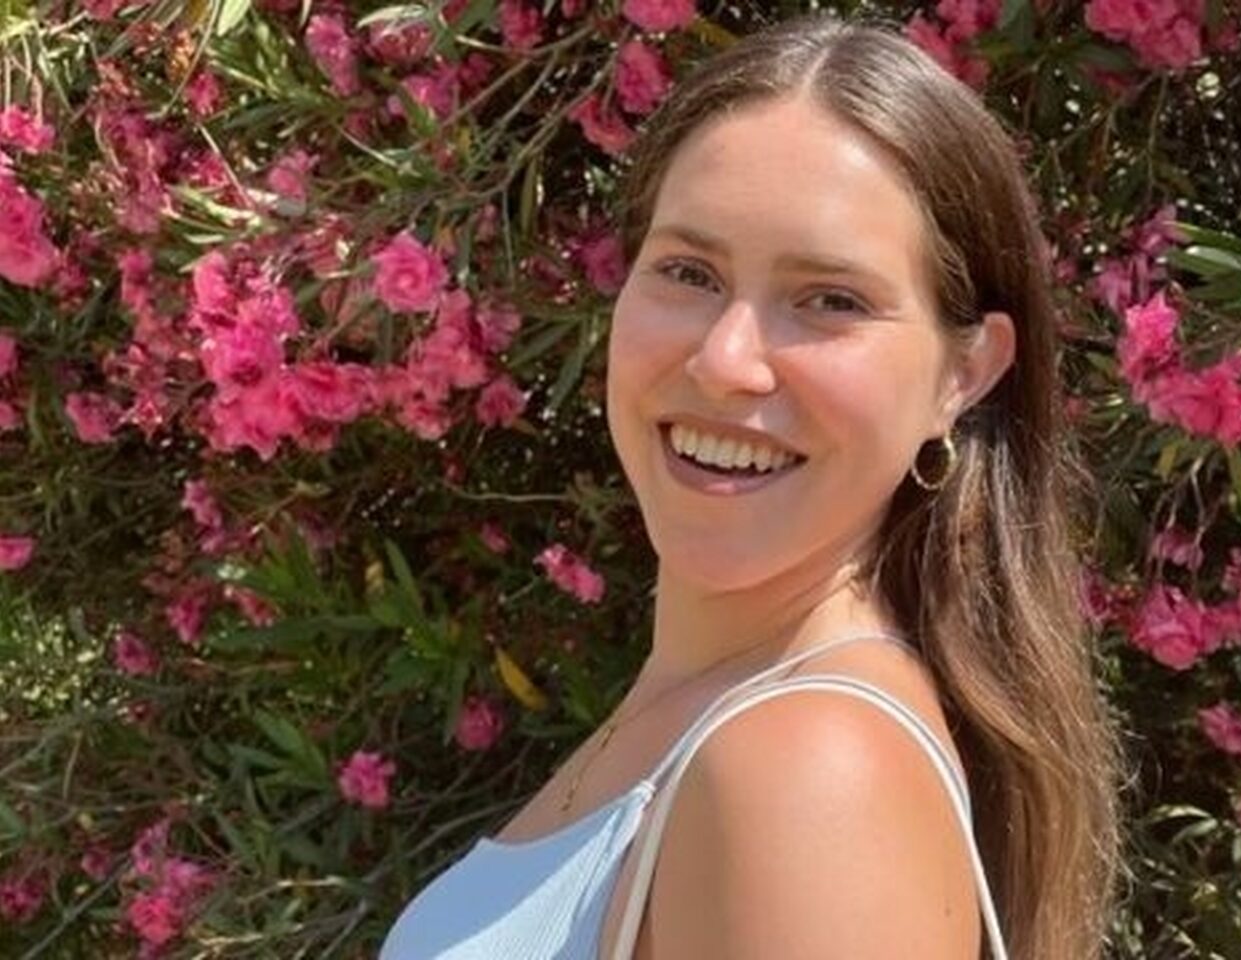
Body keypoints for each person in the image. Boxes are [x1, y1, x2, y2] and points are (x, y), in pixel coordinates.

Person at [380, 13, 1128, 960]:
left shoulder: (806, 773)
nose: (726, 361)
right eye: (689, 272)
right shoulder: (711, 716)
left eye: (831, 300)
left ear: (964, 374)